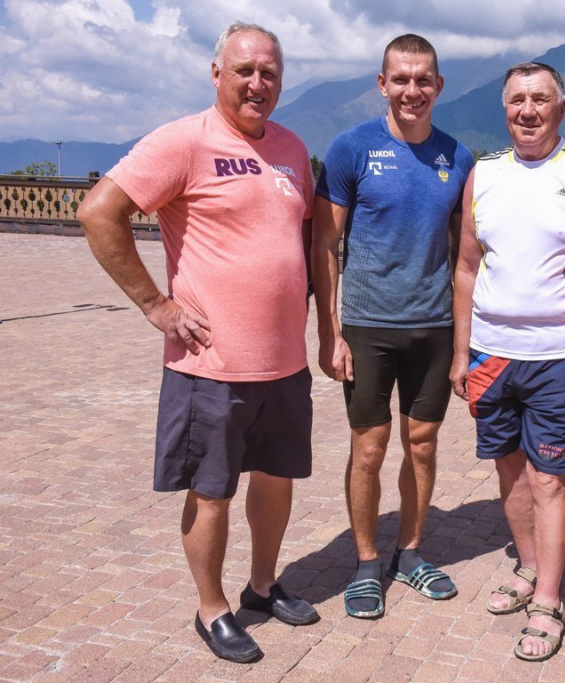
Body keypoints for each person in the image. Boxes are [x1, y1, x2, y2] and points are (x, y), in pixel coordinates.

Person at [77, 23, 319, 663]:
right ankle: (212, 609)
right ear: (217, 74)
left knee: (275, 480)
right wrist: (156, 304)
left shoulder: (294, 149)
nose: (257, 83)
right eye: (244, 70)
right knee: (212, 490)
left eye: (269, 71)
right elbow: (99, 212)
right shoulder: (184, 140)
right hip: (211, 364)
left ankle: (263, 586)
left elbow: (302, 239)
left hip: (285, 363)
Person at [450, 62, 565, 662]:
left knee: (550, 478)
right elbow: (466, 268)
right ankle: (526, 566)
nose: (528, 111)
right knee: (509, 471)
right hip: (491, 354)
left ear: (560, 108)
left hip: (559, 355)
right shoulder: (483, 174)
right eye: (517, 100)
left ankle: (549, 597)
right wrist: (458, 354)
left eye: (540, 100)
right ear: (504, 109)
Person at [311, 34, 473, 619]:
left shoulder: (459, 157)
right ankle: (364, 561)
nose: (412, 90)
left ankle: (409, 553)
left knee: (422, 445)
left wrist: (464, 341)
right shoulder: (352, 148)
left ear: (439, 86)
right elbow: (324, 241)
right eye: (400, 79)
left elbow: (467, 256)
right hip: (367, 326)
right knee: (370, 448)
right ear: (382, 84)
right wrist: (329, 332)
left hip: (432, 328)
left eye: (423, 79)